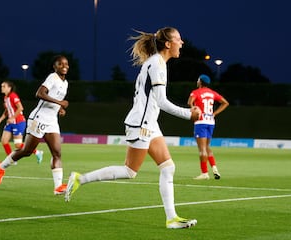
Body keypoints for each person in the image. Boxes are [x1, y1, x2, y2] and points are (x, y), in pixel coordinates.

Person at [64, 27, 200, 229]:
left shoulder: (157, 62)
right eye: (179, 39)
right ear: (168, 44)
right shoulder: (157, 64)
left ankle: (171, 218)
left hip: (149, 124)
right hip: (141, 125)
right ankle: (79, 179)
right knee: (129, 171)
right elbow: (162, 101)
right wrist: (188, 113)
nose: (182, 43)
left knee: (168, 167)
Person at [0, 55, 69, 195]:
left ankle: (58, 187)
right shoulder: (53, 77)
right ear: (55, 67)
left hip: (52, 121)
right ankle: (1, 166)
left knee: (57, 153)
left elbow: (55, 99)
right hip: (39, 118)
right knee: (27, 151)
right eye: (60, 64)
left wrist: (60, 109)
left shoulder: (65, 83)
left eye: (66, 64)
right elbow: (40, 93)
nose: (64, 66)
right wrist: (60, 103)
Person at [188, 74, 229, 180]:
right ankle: (214, 169)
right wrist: (215, 113)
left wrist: (194, 109)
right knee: (206, 147)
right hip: (211, 122)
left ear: (200, 82)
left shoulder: (196, 92)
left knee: (202, 149)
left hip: (200, 121)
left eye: (198, 80)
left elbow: (189, 102)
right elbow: (225, 103)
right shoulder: (212, 93)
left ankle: (204, 173)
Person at [0, 81, 43, 163]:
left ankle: (37, 152)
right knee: (4, 141)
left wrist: (12, 117)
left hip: (18, 122)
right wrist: (0, 120)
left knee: (18, 144)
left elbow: (20, 108)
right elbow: (7, 110)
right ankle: (11, 160)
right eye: (1, 86)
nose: (2, 88)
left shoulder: (13, 96)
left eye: (4, 86)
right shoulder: (6, 98)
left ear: (9, 88)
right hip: (10, 123)